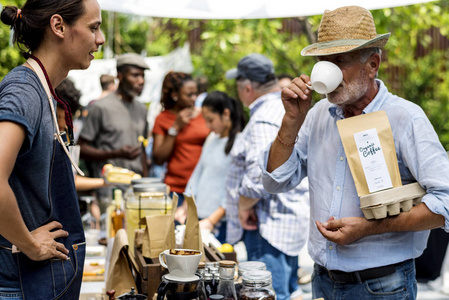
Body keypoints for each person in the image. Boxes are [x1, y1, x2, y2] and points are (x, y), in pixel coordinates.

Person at [260, 6, 449, 299]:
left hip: (384, 286)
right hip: (322, 281)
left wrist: (369, 228)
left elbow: (445, 203)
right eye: (323, 61)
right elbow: (275, 182)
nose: (327, 71)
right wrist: (290, 122)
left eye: (340, 61)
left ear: (372, 65)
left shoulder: (405, 118)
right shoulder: (318, 114)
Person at [0, 0, 104, 298]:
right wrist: (30, 244)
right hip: (16, 286)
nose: (100, 39)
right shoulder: (24, 90)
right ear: (58, 26)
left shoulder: (43, 90)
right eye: (93, 28)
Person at [225, 53, 310, 300]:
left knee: (267, 295)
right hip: (281, 222)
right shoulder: (280, 109)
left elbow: (259, 175)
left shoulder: (263, 117)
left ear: (247, 88)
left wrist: (243, 205)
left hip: (268, 228)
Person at [181, 91, 246, 243]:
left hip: (219, 222)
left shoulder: (239, 142)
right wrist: (186, 205)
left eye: (211, 120)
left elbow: (234, 190)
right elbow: (198, 172)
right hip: (200, 215)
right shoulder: (212, 138)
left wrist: (212, 220)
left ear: (225, 114)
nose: (208, 126)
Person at [78, 53, 149, 180]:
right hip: (108, 187)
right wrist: (115, 154)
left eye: (143, 76)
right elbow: (81, 149)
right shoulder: (100, 107)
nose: (141, 81)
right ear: (120, 76)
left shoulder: (142, 109)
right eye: (135, 75)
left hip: (136, 186)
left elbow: (142, 150)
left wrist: (145, 180)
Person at [152, 71, 210, 213]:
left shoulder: (205, 115)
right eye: (189, 95)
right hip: (176, 190)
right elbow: (158, 158)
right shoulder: (163, 118)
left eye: (196, 93)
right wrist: (175, 128)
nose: (194, 98)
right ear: (175, 95)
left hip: (202, 189)